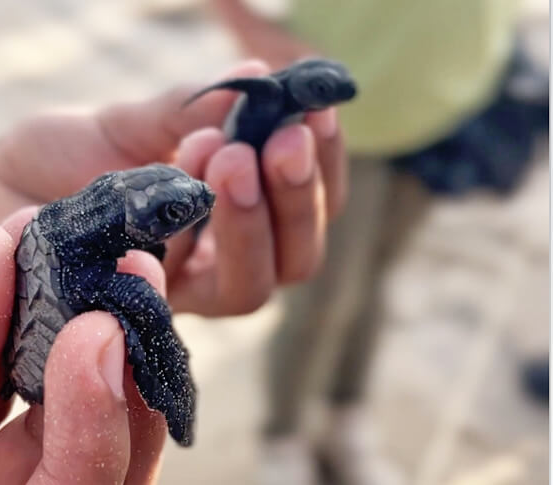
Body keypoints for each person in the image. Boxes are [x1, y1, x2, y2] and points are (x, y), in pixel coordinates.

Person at [0, 60, 349, 484]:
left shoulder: (66, 216)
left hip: (22, 334)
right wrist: (176, 400)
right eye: (174, 213)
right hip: (36, 372)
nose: (199, 200)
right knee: (145, 309)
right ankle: (176, 401)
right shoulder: (98, 274)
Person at [211, 1, 536, 484]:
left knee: (379, 275)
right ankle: (283, 440)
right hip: (340, 114)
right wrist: (248, 25)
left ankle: (346, 417)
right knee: (322, 293)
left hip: (454, 106)